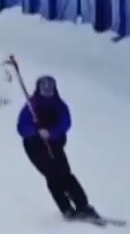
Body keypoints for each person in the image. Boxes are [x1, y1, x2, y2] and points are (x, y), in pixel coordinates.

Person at [16, 75, 100, 221]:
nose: (47, 91)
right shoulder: (32, 105)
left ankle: (83, 206)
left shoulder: (59, 105)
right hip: (35, 147)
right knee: (52, 176)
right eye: (44, 88)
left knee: (65, 174)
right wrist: (36, 132)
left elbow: (65, 123)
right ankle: (66, 209)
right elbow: (22, 127)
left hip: (54, 145)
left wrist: (51, 133)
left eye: (50, 88)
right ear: (39, 89)